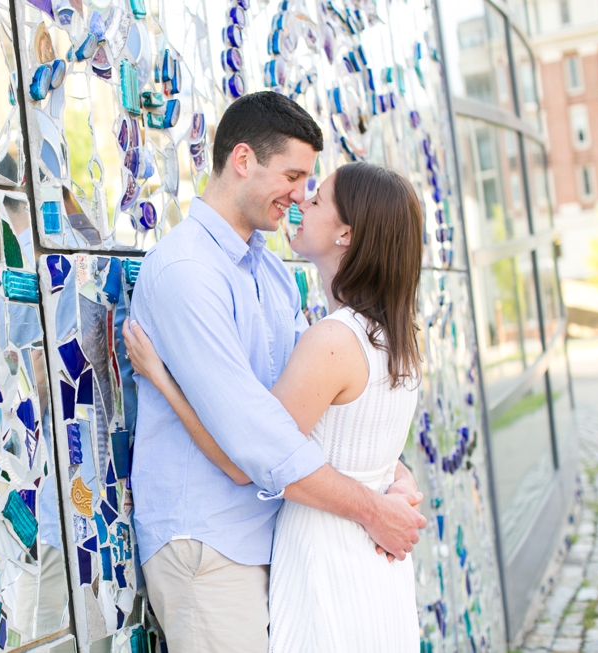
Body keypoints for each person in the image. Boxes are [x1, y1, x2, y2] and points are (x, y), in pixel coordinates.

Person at [124, 91, 426, 653]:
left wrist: (390, 472)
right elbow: (256, 446)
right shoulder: (189, 272)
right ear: (243, 160)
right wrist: (374, 506)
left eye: (309, 184)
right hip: (210, 547)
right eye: (293, 175)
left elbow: (311, 417)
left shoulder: (273, 272)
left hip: (274, 541)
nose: (300, 194)